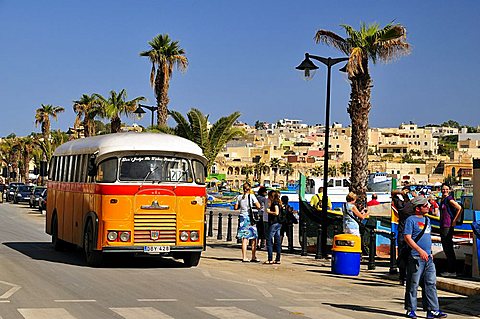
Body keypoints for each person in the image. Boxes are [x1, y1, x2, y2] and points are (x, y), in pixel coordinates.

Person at [404, 196, 447, 319]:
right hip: (416, 256)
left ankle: (432, 310)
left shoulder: (427, 220)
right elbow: (407, 237)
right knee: (413, 283)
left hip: (428, 257)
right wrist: (419, 250)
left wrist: (430, 252)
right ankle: (410, 309)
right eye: (424, 206)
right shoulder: (410, 220)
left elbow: (427, 238)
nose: (428, 207)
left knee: (430, 283)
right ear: (417, 208)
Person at [438, 183, 462, 277]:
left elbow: (459, 208)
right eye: (443, 189)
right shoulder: (442, 199)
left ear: (449, 190)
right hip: (443, 225)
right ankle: (450, 269)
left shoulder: (449, 199)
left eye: (446, 189)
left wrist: (454, 221)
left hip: (447, 225)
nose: (445, 191)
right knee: (446, 247)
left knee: (448, 248)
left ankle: (452, 270)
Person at [235, 182, 262, 262]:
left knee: (244, 238)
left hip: (242, 218)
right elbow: (258, 206)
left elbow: (236, 207)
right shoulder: (252, 196)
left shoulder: (239, 197)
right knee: (253, 237)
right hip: (250, 218)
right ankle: (253, 256)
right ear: (249, 189)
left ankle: (244, 257)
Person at [264, 190, 282, 264]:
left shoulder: (275, 203)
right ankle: (277, 259)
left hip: (274, 223)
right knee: (277, 241)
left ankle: (270, 258)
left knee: (269, 240)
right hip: (278, 223)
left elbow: (276, 213)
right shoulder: (279, 203)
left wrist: (268, 211)